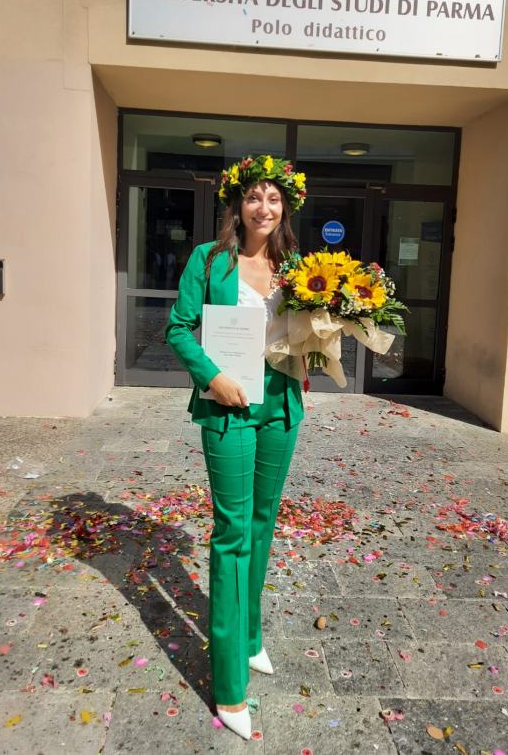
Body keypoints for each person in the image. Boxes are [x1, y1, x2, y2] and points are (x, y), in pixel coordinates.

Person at [165, 155, 307, 740]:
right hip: (228, 407)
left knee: (262, 521)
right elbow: (178, 327)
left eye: (274, 198)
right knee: (230, 535)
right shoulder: (211, 260)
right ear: (237, 204)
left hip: (281, 409)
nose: (264, 208)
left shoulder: (298, 265)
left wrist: (308, 367)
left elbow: (305, 332)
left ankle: (249, 639)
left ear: (286, 207)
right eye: (254, 197)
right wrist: (211, 376)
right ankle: (228, 688)